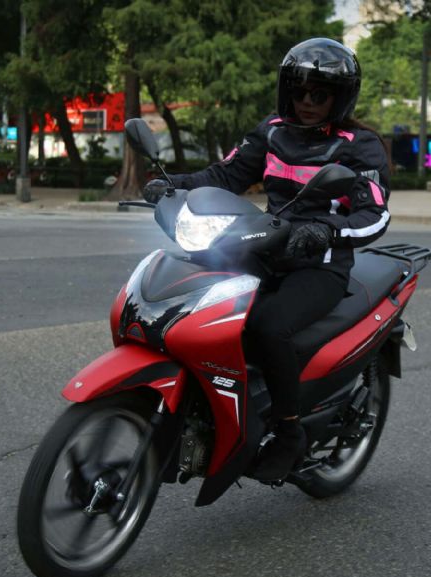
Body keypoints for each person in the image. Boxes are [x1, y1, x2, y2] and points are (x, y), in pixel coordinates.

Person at [143, 38, 391, 480]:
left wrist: (326, 231)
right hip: (262, 247)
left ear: (340, 97)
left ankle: (289, 432)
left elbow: (375, 214)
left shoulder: (360, 146)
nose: (308, 102)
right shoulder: (272, 131)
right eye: (299, 91)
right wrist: (171, 184)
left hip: (320, 264)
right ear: (286, 90)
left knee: (268, 325)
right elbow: (227, 174)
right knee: (197, 307)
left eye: (320, 94)